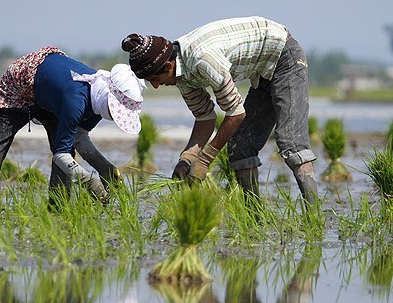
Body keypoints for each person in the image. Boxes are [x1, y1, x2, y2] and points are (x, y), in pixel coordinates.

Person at [121, 16, 318, 206]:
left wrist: (205, 160)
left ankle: (314, 219)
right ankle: (255, 217)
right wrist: (187, 158)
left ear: (169, 65)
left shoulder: (202, 60)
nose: (155, 86)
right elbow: (204, 117)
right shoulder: (181, 77)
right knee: (240, 147)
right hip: (262, 71)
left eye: (154, 79)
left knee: (291, 143)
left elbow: (236, 113)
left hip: (284, 56)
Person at [0, 46, 145, 204]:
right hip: (17, 88)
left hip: (52, 96)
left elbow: (79, 138)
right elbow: (60, 154)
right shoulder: (77, 101)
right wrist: (89, 181)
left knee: (68, 154)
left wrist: (105, 168)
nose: (115, 117)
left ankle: (58, 208)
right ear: (110, 99)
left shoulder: (99, 104)